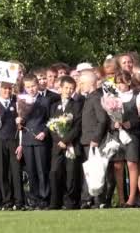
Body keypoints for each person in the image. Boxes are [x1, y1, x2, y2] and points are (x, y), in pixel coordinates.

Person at [48, 76, 82, 210]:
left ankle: (70, 202)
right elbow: (51, 125)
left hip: (71, 145)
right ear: (60, 88)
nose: (68, 91)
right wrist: (59, 140)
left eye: (71, 89)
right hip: (57, 146)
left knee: (71, 174)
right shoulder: (54, 106)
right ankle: (55, 202)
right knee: (55, 172)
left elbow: (77, 126)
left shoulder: (77, 105)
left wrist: (66, 140)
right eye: (66, 88)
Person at [109, 71, 140, 207]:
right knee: (118, 166)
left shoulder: (137, 96)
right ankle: (122, 199)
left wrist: (131, 123)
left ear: (128, 82)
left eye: (121, 82)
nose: (119, 85)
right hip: (117, 135)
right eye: (117, 83)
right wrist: (114, 123)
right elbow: (109, 117)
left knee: (132, 164)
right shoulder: (113, 97)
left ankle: (131, 198)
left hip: (132, 135)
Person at [17, 74, 50, 209]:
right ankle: (34, 199)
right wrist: (18, 121)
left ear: (38, 85)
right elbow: (21, 121)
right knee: (31, 171)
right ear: (24, 87)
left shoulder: (45, 101)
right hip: (26, 139)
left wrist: (44, 132)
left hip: (40, 139)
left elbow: (50, 120)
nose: (31, 89)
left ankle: (44, 199)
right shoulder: (21, 100)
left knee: (42, 170)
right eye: (28, 87)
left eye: (33, 86)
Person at [0, 82, 24, 210]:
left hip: (14, 140)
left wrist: (20, 144)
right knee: (2, 171)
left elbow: (21, 127)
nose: (7, 91)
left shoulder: (17, 103)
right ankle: (6, 201)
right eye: (4, 88)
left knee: (16, 171)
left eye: (9, 88)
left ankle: (19, 201)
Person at [79, 71, 110, 208]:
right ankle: (89, 199)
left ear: (90, 83)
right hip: (88, 139)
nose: (80, 85)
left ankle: (97, 200)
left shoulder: (96, 97)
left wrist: (96, 138)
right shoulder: (89, 97)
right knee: (91, 171)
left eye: (82, 83)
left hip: (93, 141)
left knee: (96, 171)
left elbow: (102, 120)